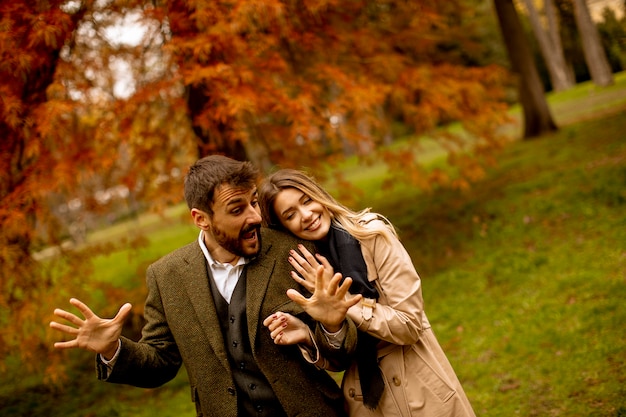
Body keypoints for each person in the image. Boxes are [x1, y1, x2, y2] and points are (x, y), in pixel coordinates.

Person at [50, 155, 361, 417]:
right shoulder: (167, 276)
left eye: (254, 202)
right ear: (201, 219)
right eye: (237, 209)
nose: (255, 217)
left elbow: (340, 356)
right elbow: (160, 363)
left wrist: (332, 325)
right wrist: (113, 349)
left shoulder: (291, 250)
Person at [259, 169, 476, 417]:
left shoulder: (372, 236)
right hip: (365, 402)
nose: (306, 215)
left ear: (319, 195)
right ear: (283, 228)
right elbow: (340, 361)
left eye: (307, 200)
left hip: (420, 388)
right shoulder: (305, 271)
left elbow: (410, 325)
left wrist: (343, 303)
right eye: (290, 215)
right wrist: (308, 335)